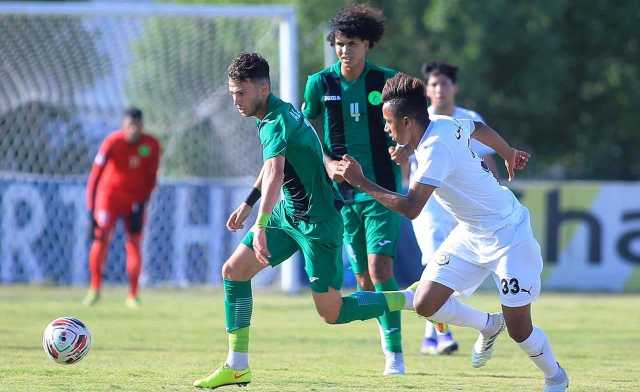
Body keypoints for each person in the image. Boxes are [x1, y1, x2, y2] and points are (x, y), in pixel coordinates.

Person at [335, 73, 569, 392]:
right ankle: (488, 324)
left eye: (389, 123)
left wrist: (360, 181)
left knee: (520, 330)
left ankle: (555, 376)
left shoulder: (434, 150)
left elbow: (411, 207)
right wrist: (508, 152)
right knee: (424, 303)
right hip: (472, 233)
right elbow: (478, 128)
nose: (387, 130)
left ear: (407, 121)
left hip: (509, 236)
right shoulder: (442, 123)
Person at [192, 53, 413, 390]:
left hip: (319, 225)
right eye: (232, 92)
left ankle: (409, 299)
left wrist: (260, 224)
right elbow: (271, 167)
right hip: (289, 214)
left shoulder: (278, 120)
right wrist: (248, 205)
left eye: (241, 93)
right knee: (233, 272)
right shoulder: (268, 113)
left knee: (332, 312)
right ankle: (237, 366)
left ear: (263, 88)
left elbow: (277, 173)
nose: (235, 100)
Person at [302, 4, 407, 374]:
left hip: (381, 189)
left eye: (352, 44)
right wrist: (328, 164)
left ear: (368, 45)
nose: (344, 50)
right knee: (362, 278)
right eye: (339, 44)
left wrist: (403, 148)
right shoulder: (320, 83)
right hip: (342, 195)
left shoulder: (389, 81)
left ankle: (395, 354)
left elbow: (414, 126)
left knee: (380, 270)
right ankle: (396, 316)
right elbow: (304, 130)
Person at [412, 61, 499, 356]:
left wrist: (496, 193)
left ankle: (431, 336)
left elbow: (487, 162)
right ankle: (442, 335)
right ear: (427, 89)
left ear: (455, 88)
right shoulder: (418, 121)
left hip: (465, 207)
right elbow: (407, 165)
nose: (439, 89)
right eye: (434, 84)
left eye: (444, 84)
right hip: (431, 206)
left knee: (452, 274)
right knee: (435, 266)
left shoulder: (469, 119)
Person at [83, 107, 160, 308]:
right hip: (108, 199)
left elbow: (151, 179)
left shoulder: (150, 145)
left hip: (134, 202)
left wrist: (142, 204)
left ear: (142, 126)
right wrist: (91, 209)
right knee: (100, 242)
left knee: (134, 245)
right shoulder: (112, 142)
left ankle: (133, 294)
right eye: (129, 126)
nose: (133, 130)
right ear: (123, 126)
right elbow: (95, 176)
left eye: (137, 126)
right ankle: (95, 288)